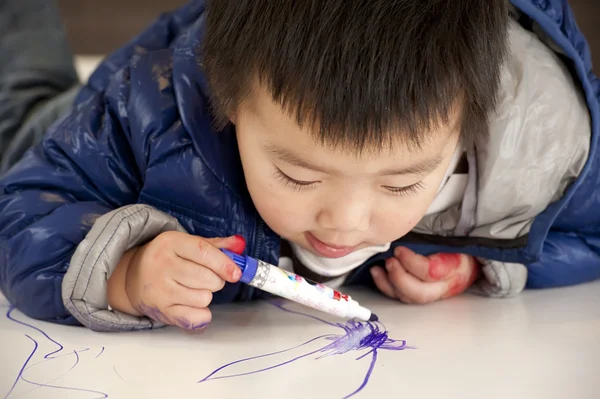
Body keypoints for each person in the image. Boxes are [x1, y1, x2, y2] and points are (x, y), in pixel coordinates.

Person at [0, 0, 598, 332]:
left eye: (403, 182)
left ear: (472, 127)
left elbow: (590, 230)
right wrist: (125, 274)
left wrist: (479, 265)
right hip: (77, 129)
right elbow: (22, 206)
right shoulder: (151, 110)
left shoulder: (537, 147)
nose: (343, 224)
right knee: (21, 112)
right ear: (230, 108)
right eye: (298, 176)